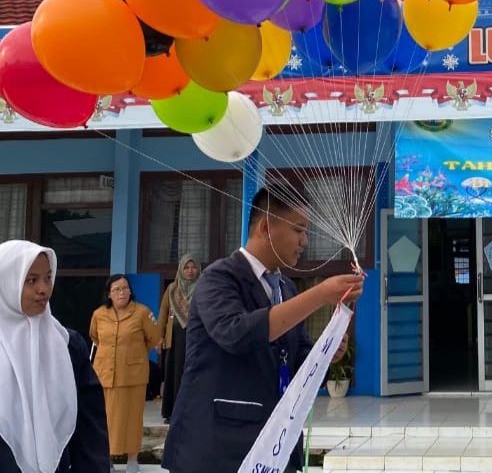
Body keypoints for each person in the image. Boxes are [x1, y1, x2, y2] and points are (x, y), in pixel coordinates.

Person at [162, 184, 364, 473]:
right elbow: (237, 334)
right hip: (218, 446)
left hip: (273, 446)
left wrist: (326, 352)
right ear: (266, 227)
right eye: (299, 229)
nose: (305, 240)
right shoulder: (218, 278)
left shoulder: (286, 287)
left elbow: (296, 360)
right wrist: (320, 295)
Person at [0, 240, 111, 473]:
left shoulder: (67, 346)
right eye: (31, 280)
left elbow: (90, 430)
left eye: (48, 277)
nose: (44, 288)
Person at [89, 274, 161, 472]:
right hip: (105, 374)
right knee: (105, 419)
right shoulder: (99, 314)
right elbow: (95, 337)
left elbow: (153, 338)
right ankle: (108, 459)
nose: (122, 293)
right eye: (117, 290)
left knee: (132, 419)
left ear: (131, 291)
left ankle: (132, 461)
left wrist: (134, 353)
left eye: (125, 288)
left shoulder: (142, 312)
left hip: (132, 376)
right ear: (109, 294)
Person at [157, 254, 200, 423]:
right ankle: (172, 412)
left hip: (195, 339)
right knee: (174, 374)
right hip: (174, 339)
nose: (190, 271)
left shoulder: (203, 287)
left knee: (193, 373)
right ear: (181, 269)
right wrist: (158, 337)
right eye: (186, 267)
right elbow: (162, 314)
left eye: (193, 267)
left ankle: (192, 411)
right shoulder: (172, 289)